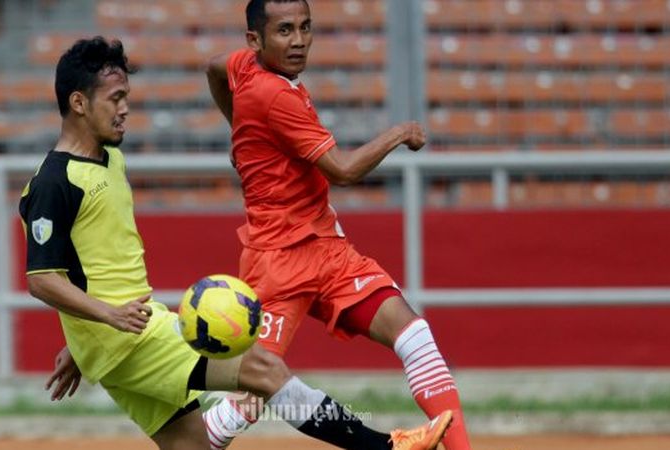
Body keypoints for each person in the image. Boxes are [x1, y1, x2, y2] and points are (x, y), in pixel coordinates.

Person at [21, 36, 451, 450]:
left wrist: (83, 343)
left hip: (116, 342)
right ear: (78, 103)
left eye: (126, 96)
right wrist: (106, 318)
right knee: (265, 370)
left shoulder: (109, 158)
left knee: (192, 445)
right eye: (115, 98)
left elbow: (90, 267)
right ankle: (387, 446)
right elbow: (42, 280)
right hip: (130, 338)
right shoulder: (53, 185)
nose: (125, 108)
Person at [201, 1, 473, 449]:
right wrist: (399, 133)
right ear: (256, 40)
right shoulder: (275, 96)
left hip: (327, 250)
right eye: (285, 30)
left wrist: (241, 134)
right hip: (277, 262)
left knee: (414, 334)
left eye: (305, 27)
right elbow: (342, 170)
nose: (299, 40)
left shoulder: (243, 67)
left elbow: (213, 68)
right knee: (249, 400)